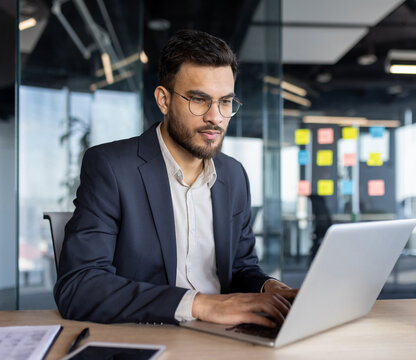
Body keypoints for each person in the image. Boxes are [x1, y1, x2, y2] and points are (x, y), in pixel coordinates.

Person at [54, 29, 297, 328]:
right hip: (152, 337)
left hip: (224, 338)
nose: (215, 117)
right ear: (164, 100)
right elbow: (79, 288)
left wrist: (269, 288)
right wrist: (199, 304)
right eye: (199, 100)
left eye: (225, 102)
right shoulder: (111, 167)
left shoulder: (233, 175)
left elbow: (241, 268)